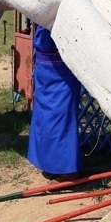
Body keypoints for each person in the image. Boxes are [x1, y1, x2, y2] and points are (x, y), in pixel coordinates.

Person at [27, 24, 82, 181]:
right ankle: (66, 170)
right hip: (58, 65)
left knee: (48, 117)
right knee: (61, 118)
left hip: (46, 63)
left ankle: (49, 164)